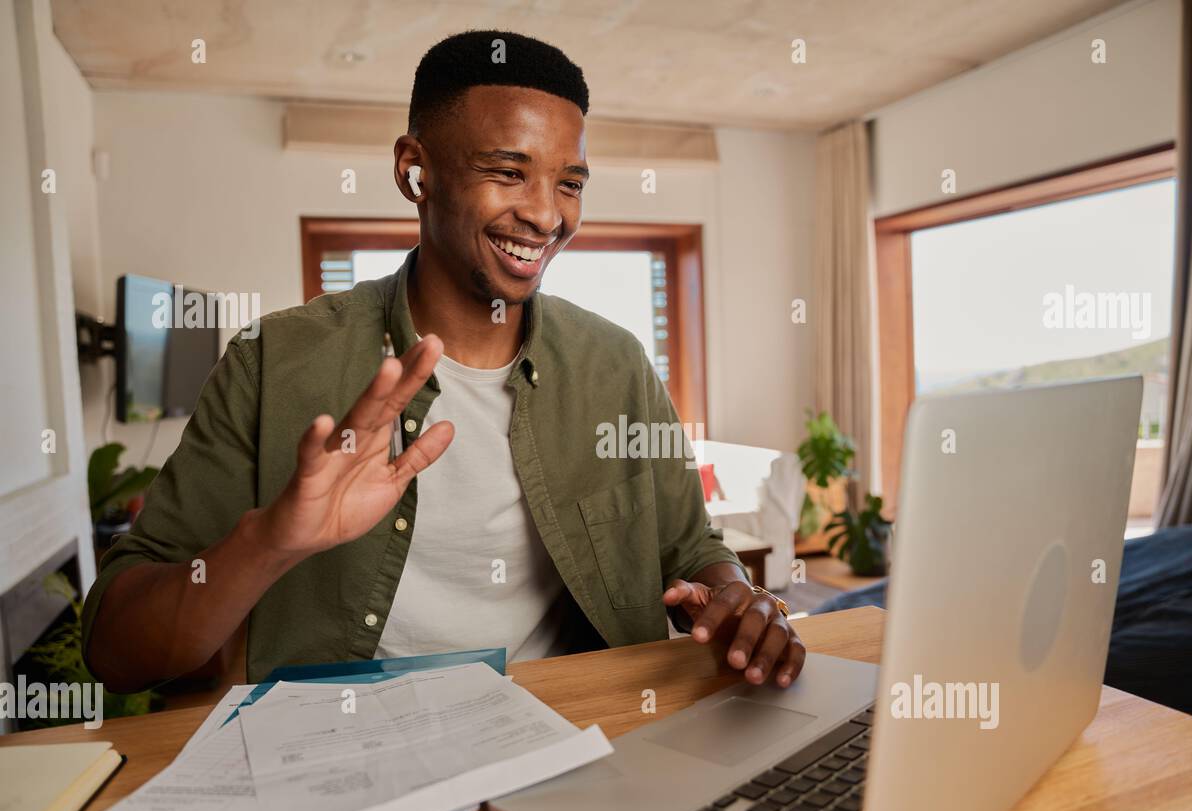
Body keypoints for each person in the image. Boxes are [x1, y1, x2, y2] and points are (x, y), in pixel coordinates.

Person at [84, 30, 806, 692]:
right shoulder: (272, 362)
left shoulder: (614, 364)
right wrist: (270, 541)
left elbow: (691, 548)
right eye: (508, 172)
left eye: (569, 183)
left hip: (584, 729)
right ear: (414, 170)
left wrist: (735, 594)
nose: (547, 215)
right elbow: (117, 651)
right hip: (351, 757)